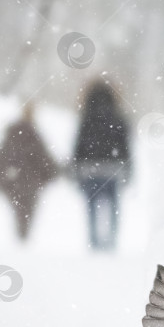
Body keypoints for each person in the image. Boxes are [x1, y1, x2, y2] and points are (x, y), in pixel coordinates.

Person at [72, 81, 132, 250]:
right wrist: (128, 171)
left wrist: (77, 169)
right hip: (112, 170)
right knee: (113, 205)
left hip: (90, 169)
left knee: (91, 206)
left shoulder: (86, 117)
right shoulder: (118, 118)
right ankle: (111, 239)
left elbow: (79, 147)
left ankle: (94, 240)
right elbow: (125, 148)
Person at [0, 103, 58, 239]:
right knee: (26, 212)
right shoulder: (34, 135)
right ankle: (22, 237)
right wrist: (49, 175)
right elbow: (44, 159)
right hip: (30, 183)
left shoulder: (12, 133)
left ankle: (21, 238)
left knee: (19, 212)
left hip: (13, 182)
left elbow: (1, 157)